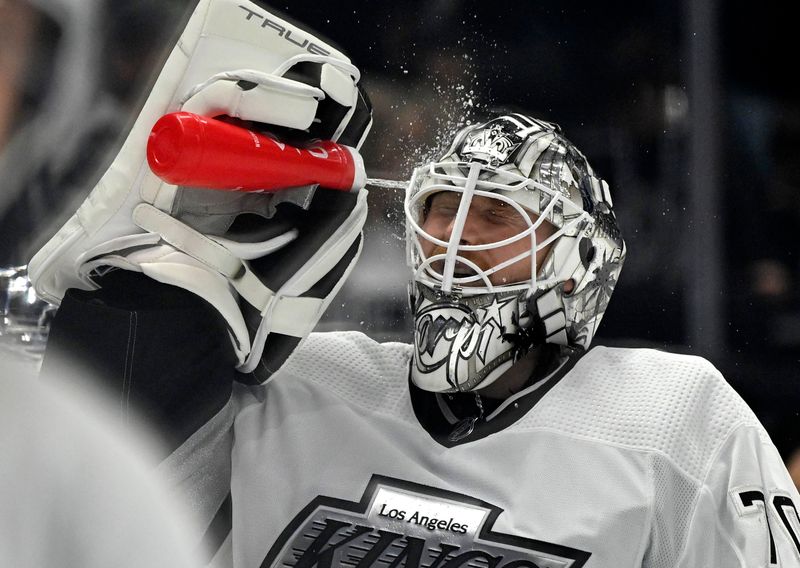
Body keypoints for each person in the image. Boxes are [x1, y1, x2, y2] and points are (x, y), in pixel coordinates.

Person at [28, 1, 800, 566]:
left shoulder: (678, 420)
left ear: (579, 261)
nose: (458, 239)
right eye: (440, 211)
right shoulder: (295, 386)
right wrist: (152, 299)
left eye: (494, 217)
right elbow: (87, 514)